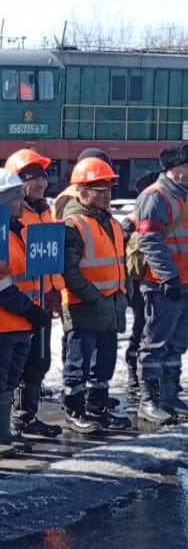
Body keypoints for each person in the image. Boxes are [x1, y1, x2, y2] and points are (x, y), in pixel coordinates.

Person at [0, 168, 53, 459]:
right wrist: (31, 310)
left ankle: (3, 432)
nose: (21, 202)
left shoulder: (16, 231)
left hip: (20, 324)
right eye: (15, 197)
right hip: (0, 324)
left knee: (9, 380)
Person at [58, 155, 129, 436]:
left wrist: (122, 293)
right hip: (85, 307)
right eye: (100, 190)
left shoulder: (110, 223)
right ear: (83, 192)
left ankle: (97, 407)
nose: (107, 194)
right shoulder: (73, 225)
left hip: (109, 305)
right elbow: (70, 271)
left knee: (104, 362)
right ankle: (74, 410)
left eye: (109, 189)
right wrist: (95, 297)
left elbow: (119, 263)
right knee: (78, 362)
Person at [3, 148, 64, 439]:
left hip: (41, 300)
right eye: (32, 178)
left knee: (39, 362)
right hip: (17, 304)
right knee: (18, 365)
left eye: (43, 176)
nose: (41, 183)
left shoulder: (44, 212)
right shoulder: (12, 214)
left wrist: (55, 290)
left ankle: (28, 416)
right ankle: (15, 420)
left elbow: (51, 257)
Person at [132, 142, 188, 425]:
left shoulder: (181, 196)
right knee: (155, 344)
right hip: (163, 285)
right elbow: (150, 241)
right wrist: (169, 277)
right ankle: (149, 400)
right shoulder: (156, 196)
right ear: (174, 169)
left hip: (182, 282)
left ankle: (168, 395)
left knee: (176, 344)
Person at [123, 170, 160, 399]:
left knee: (154, 329)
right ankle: (134, 371)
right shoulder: (133, 219)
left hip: (155, 282)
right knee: (142, 328)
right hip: (140, 283)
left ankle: (148, 376)